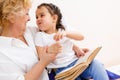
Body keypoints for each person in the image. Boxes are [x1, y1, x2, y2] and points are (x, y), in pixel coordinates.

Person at [34, 3, 109, 80]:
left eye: (42, 15)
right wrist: (49, 50)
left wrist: (67, 33)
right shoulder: (40, 36)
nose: (38, 19)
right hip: (62, 70)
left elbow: (81, 36)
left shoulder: (63, 30)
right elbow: (40, 56)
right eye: (36, 17)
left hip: (76, 63)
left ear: (54, 18)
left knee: (96, 64)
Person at [0, 0, 62, 80]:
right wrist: (42, 63)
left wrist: (74, 48)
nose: (29, 18)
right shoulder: (2, 53)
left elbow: (54, 34)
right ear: (11, 17)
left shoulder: (32, 31)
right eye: (26, 13)